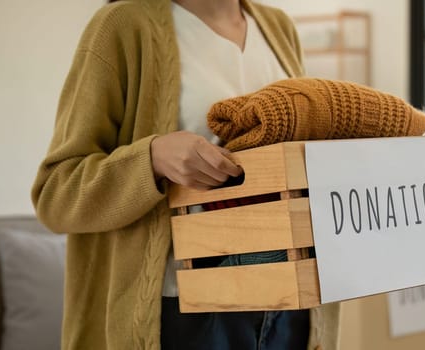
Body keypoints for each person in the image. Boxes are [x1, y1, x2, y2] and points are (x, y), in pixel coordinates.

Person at [31, 0, 339, 349]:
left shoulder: (278, 27)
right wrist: (151, 159)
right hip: (182, 313)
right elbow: (55, 193)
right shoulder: (124, 25)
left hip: (289, 305)